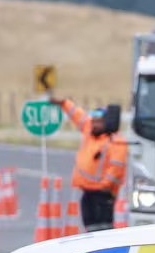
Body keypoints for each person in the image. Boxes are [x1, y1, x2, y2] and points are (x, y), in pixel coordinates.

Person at [54, 96, 128, 231]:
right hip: (88, 192)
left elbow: (116, 169)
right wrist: (64, 103)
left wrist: (105, 186)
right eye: (93, 121)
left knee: (102, 231)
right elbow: (77, 115)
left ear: (106, 123)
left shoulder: (115, 142)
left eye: (98, 122)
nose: (94, 124)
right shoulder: (90, 132)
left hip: (103, 196)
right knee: (89, 230)